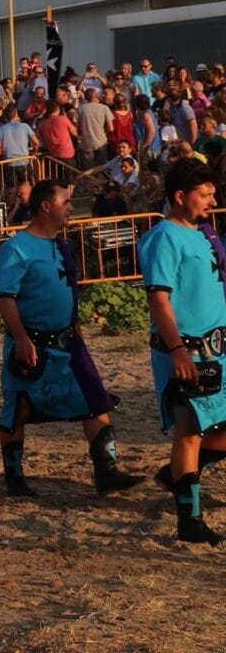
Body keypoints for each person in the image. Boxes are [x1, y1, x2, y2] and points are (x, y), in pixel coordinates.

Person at [0, 180, 143, 498]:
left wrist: (74, 323)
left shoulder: (60, 244)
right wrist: (20, 338)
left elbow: (67, 289)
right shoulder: (17, 247)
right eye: (65, 202)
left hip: (68, 341)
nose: (71, 207)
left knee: (95, 398)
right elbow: (5, 297)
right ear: (45, 206)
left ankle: (108, 471)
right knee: (18, 409)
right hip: (32, 344)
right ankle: (14, 478)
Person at [137, 160, 226, 544]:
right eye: (205, 194)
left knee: (214, 432)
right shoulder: (164, 238)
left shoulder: (201, 234)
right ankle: (189, 520)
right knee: (189, 434)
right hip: (186, 351)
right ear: (179, 197)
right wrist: (177, 349)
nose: (213, 200)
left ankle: (176, 474)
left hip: (217, 351)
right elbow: (159, 299)